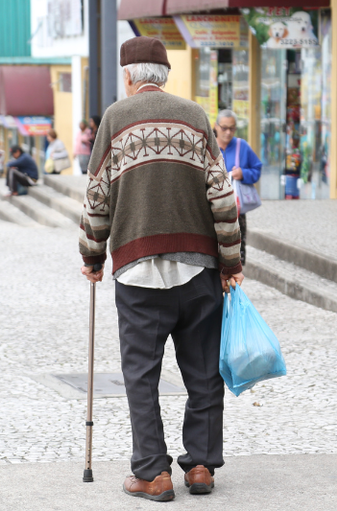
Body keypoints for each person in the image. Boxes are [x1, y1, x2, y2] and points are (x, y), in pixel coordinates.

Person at [78, 36, 243, 502]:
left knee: (142, 376)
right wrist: (231, 263)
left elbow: (97, 199)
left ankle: (153, 474)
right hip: (199, 271)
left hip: (137, 273)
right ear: (165, 75)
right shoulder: (195, 116)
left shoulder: (115, 117)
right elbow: (222, 196)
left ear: (129, 76)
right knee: (204, 373)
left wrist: (92, 257)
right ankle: (202, 467)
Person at [215, 109, 262, 266]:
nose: (228, 132)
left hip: (236, 210)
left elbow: (257, 169)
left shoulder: (242, 146)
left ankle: (235, 283)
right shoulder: (209, 147)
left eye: (232, 128)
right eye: (224, 128)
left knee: (237, 254)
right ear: (216, 127)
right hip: (213, 209)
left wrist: (244, 173)